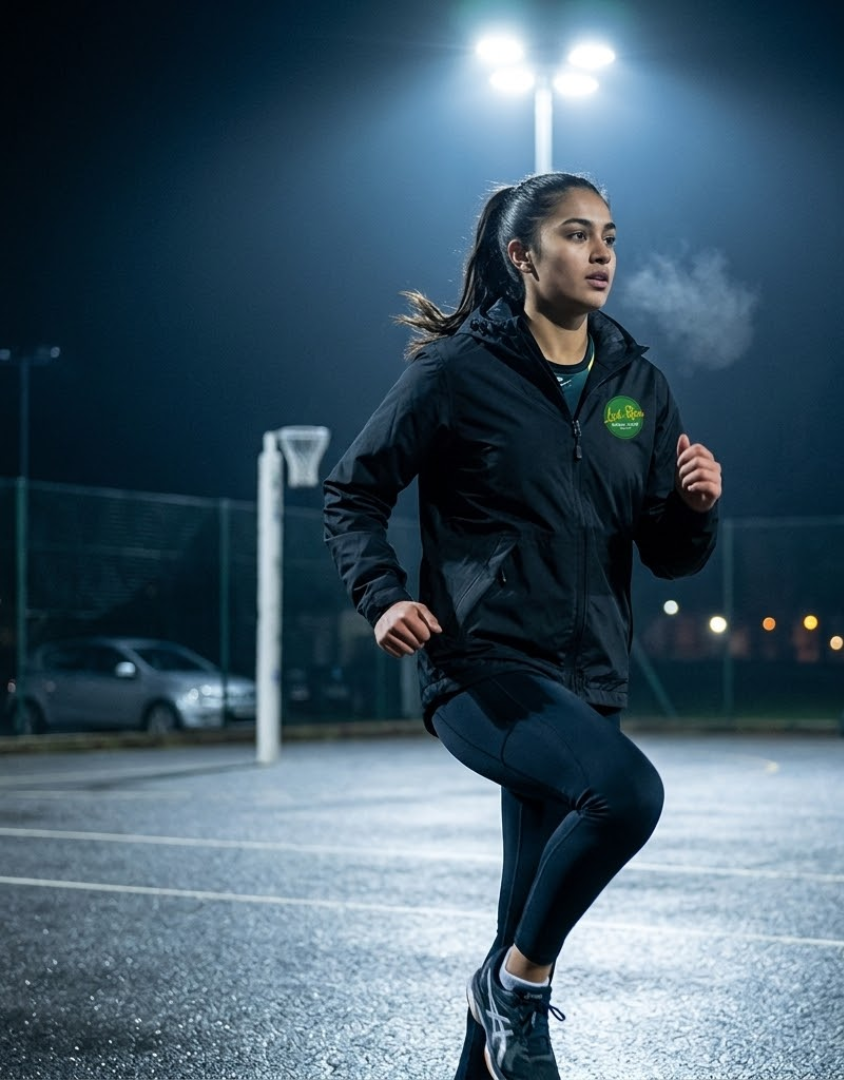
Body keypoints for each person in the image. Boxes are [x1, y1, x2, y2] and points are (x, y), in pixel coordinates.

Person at [323, 172, 721, 1080]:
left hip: (591, 675)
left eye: (610, 235)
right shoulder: (457, 371)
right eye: (578, 235)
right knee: (626, 797)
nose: (603, 253)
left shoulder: (636, 385)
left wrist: (694, 508)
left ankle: (500, 1014)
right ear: (522, 256)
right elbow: (354, 491)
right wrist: (383, 595)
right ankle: (517, 990)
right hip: (480, 667)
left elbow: (667, 551)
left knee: (519, 913)